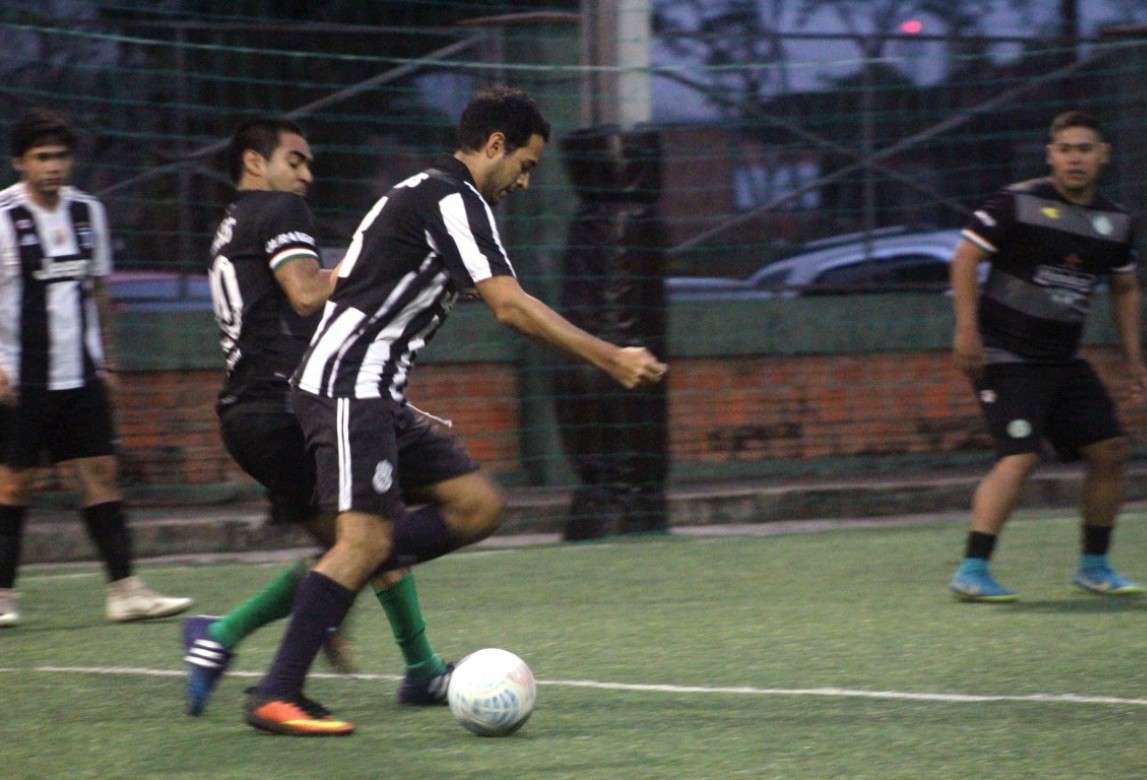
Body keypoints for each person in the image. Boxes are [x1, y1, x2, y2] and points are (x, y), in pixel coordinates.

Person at [243, 86, 667, 736]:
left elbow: (355, 284)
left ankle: (341, 575)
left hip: (374, 389)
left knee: (477, 506)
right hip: (351, 385)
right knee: (362, 541)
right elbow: (510, 305)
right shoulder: (451, 198)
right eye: (524, 165)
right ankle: (279, 690)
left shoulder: (422, 193)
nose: (525, 182)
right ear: (494, 146)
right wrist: (610, 356)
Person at [183, 117, 453, 715]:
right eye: (295, 160)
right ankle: (225, 635)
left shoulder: (231, 224)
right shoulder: (278, 210)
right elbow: (308, 294)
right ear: (255, 163)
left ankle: (420, 668)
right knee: (369, 540)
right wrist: (381, 268)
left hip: (250, 412)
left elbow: (299, 322)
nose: (307, 175)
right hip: (287, 408)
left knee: (359, 544)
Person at [947, 110, 1147, 603]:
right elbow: (965, 257)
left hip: (1062, 359)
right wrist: (966, 329)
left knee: (1110, 451)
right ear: (1051, 155)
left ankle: (1094, 566)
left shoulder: (1116, 222)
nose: (1075, 158)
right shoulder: (1016, 204)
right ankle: (972, 570)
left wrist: (1133, 358)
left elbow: (1125, 289)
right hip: (1004, 354)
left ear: (1102, 155)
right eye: (1065, 150)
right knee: (1020, 456)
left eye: (1085, 149)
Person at [0, 108, 193, 626]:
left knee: (100, 476)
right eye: (42, 157)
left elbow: (99, 292)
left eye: (61, 156)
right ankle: (2, 597)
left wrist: (107, 359)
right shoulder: (2, 218)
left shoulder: (88, 213)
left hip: (81, 374)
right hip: (21, 376)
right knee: (14, 483)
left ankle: (125, 590)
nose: (54, 167)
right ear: (20, 162)